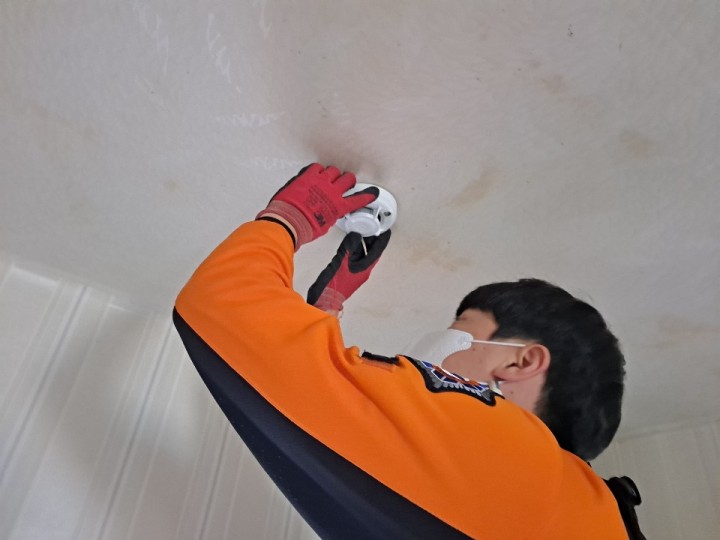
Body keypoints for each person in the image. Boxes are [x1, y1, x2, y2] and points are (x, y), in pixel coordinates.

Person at [174, 164, 645, 539]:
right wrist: (326, 309)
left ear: (519, 363)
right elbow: (335, 435)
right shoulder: (543, 503)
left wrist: (290, 218)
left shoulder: (524, 470)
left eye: (460, 328)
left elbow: (222, 305)